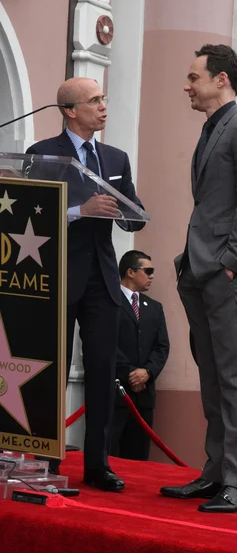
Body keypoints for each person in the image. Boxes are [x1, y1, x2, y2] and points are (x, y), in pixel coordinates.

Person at [160, 44, 237, 513]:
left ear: (221, 79)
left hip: (227, 273)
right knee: (213, 377)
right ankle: (214, 473)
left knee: (233, 378)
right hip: (201, 271)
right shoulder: (213, 130)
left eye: (193, 77)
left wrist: (229, 262)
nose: (187, 86)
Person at [26, 77, 145, 491]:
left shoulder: (115, 157)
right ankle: (46, 460)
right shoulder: (42, 154)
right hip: (58, 279)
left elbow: (135, 213)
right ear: (70, 110)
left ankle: (97, 464)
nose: (103, 106)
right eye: (94, 101)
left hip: (104, 282)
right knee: (50, 374)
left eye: (104, 99)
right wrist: (81, 209)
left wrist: (130, 213)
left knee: (101, 373)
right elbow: (30, 218)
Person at [109, 250, 169, 460]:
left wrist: (148, 372)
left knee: (139, 457)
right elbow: (105, 343)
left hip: (144, 396)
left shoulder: (154, 308)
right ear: (130, 272)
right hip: (114, 393)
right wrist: (130, 373)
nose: (152, 276)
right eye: (148, 270)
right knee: (110, 453)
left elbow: (162, 347)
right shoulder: (109, 302)